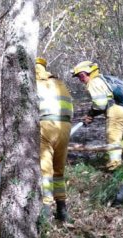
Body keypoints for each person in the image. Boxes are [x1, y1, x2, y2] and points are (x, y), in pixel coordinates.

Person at [71, 61, 123, 171]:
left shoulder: (94, 82)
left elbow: (100, 105)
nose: (80, 79)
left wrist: (90, 114)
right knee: (121, 137)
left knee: (113, 139)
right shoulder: (103, 79)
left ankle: (114, 166)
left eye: (81, 76)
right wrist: (91, 114)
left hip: (117, 112)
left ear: (87, 73)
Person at [36, 57, 74, 221]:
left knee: (45, 170)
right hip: (64, 128)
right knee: (58, 171)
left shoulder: (33, 84)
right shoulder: (59, 83)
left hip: (46, 126)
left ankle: (45, 210)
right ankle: (62, 210)